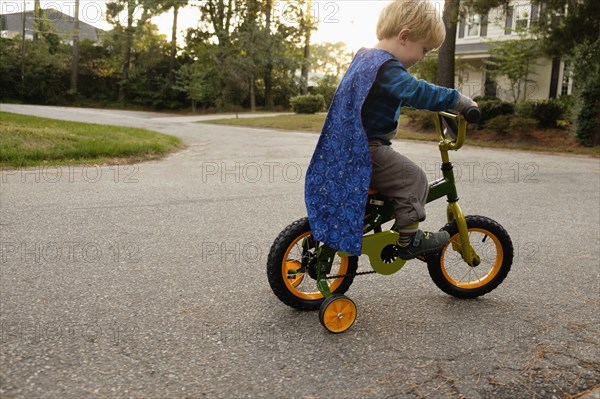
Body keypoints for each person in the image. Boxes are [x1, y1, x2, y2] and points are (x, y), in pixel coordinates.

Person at [305, 0, 477, 260]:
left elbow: (401, 93)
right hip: (367, 148)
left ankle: (387, 226)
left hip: (349, 146)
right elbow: (414, 90)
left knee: (397, 179)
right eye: (424, 49)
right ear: (405, 37)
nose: (422, 58)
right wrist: (457, 101)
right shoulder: (385, 66)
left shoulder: (366, 58)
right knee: (413, 178)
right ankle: (409, 239)